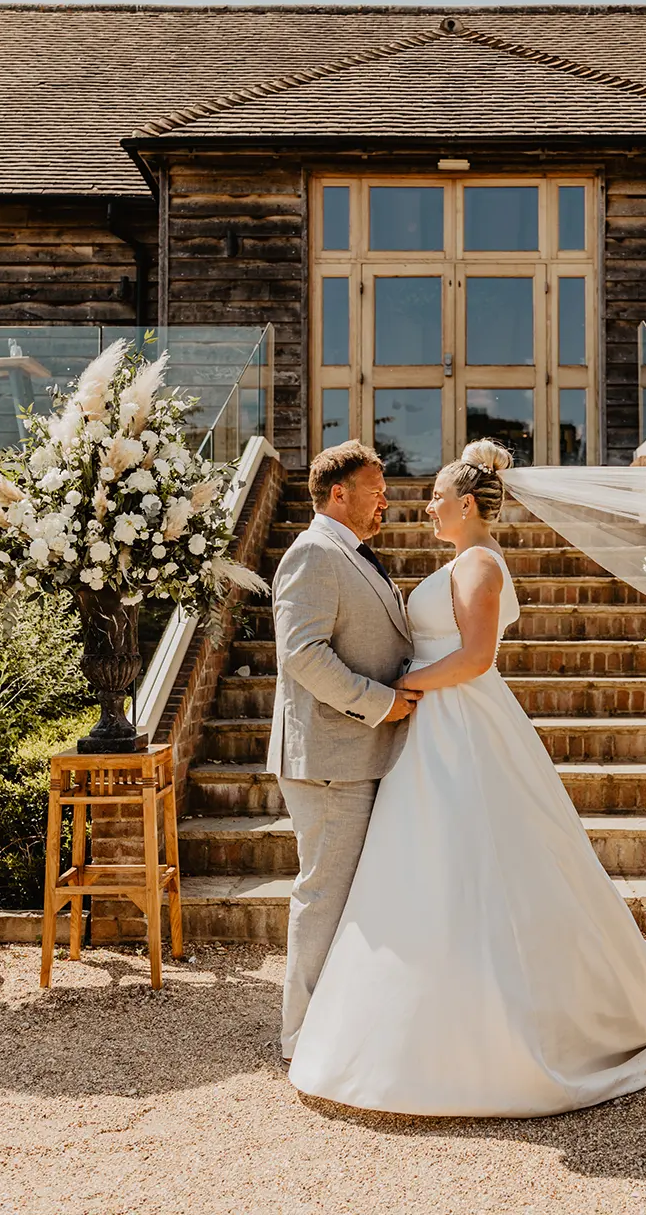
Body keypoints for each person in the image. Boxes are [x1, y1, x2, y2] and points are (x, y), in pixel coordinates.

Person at [286, 439, 646, 1117]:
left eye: (438, 498)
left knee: (477, 858)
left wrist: (404, 684)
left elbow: (475, 657)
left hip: (460, 723)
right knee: (430, 866)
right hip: (429, 729)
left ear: (467, 503)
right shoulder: (455, 560)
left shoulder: (478, 562)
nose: (426, 507)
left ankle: (497, 1026)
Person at [267, 440, 424, 1063]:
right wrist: (379, 702)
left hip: (360, 754)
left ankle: (343, 1023)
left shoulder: (351, 554)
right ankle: (301, 1036)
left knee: (349, 894)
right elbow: (302, 655)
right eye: (376, 489)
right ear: (340, 494)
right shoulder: (312, 553)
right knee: (324, 894)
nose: (385, 499)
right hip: (330, 759)